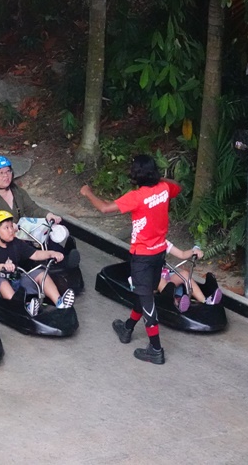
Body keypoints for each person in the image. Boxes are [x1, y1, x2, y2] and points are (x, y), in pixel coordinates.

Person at [79, 154, 181, 365]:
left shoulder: (137, 196)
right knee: (144, 293)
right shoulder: (164, 189)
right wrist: (161, 180)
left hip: (142, 256)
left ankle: (156, 349)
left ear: (136, 175)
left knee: (147, 300)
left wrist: (88, 192)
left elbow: (105, 208)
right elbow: (176, 186)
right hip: (159, 252)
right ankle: (127, 328)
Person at [0, 210, 74, 316]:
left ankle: (59, 302)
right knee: (2, 283)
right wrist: (3, 266)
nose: (11, 230)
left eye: (11, 226)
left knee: (41, 273)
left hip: (16, 280)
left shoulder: (16, 242)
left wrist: (52, 253)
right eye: (6, 228)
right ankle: (25, 308)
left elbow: (35, 254)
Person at [0, 155, 69, 251]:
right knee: (24, 248)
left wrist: (48, 215)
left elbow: (32, 208)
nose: (6, 176)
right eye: (1, 173)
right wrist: (9, 227)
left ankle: (62, 257)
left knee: (45, 238)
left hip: (18, 233)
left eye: (8, 171)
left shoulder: (17, 191)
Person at [157, 242, 222, 310]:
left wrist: (194, 251)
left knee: (184, 274)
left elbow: (182, 254)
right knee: (161, 280)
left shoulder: (161, 241)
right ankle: (177, 305)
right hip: (150, 281)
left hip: (164, 276)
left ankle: (205, 301)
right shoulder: (144, 246)